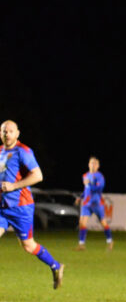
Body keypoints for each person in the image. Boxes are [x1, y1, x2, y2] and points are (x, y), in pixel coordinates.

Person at [0, 120, 64, 289]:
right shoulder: (0, 151)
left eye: (10, 131)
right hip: (2, 208)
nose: (7, 134)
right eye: (4, 131)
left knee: (28, 246)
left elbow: (38, 176)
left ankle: (56, 266)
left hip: (21, 208)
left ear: (17, 133)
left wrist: (13, 186)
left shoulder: (23, 151)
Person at [73, 156, 113, 251]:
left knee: (103, 222)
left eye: (95, 163)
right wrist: (81, 197)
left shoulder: (99, 176)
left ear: (98, 166)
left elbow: (99, 188)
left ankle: (110, 241)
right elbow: (86, 190)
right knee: (82, 222)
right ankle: (81, 245)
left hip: (97, 203)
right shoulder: (85, 176)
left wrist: (90, 184)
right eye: (91, 163)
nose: (93, 165)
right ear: (88, 164)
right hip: (86, 203)